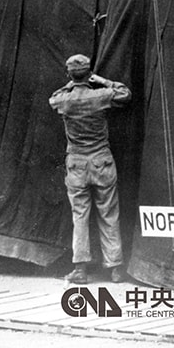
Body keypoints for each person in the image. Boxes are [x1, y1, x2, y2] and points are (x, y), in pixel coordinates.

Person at [49, 54, 131, 284]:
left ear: (69, 74)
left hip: (77, 163)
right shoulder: (101, 95)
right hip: (102, 161)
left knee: (80, 217)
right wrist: (101, 80)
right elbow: (125, 93)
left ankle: (80, 269)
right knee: (109, 215)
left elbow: (53, 99)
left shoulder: (64, 99)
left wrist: (72, 84)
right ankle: (115, 268)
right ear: (89, 73)